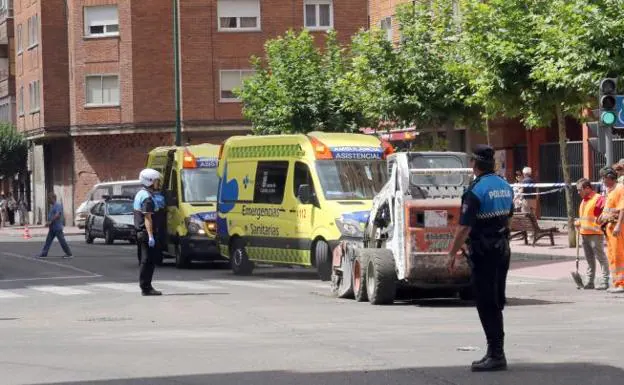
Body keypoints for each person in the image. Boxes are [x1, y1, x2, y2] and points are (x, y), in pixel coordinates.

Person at [448, 144, 514, 372]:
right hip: (502, 249)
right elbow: (508, 218)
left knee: (486, 303)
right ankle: (495, 352)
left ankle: (496, 354)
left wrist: (452, 253)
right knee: (496, 300)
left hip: (484, 252)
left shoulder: (475, 190)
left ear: (474, 164)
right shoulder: (505, 186)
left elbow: (463, 228)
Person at [575, 178, 609, 290]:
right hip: (584, 233)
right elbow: (584, 217)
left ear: (588, 188)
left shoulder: (598, 199)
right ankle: (589, 282)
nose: (578, 192)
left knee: (601, 258)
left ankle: (605, 281)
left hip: (595, 234)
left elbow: (605, 215)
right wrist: (579, 222)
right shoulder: (584, 200)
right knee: (589, 259)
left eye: (580, 190)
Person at [134, 168, 163, 296]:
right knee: (148, 261)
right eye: (156, 181)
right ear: (149, 181)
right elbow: (148, 218)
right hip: (146, 234)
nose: (158, 183)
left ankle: (146, 285)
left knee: (145, 260)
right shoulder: (147, 197)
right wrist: (151, 235)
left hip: (141, 233)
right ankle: (146, 287)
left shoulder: (141, 193)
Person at [597, 168, 624, 293]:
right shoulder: (610, 191)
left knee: (619, 255)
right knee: (612, 255)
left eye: (604, 178)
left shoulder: (620, 189)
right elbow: (608, 208)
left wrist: (619, 225)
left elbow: (622, 208)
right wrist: (601, 217)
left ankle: (621, 283)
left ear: (610, 177)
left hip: (617, 227)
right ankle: (616, 282)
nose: (603, 181)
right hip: (609, 227)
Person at [37, 193, 73, 259]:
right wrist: (48, 222)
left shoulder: (57, 205)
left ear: (53, 198)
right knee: (48, 241)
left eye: (49, 199)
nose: (48, 200)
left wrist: (50, 221)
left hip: (57, 227)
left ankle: (69, 253)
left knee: (62, 241)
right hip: (52, 228)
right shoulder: (52, 206)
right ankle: (44, 253)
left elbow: (57, 215)